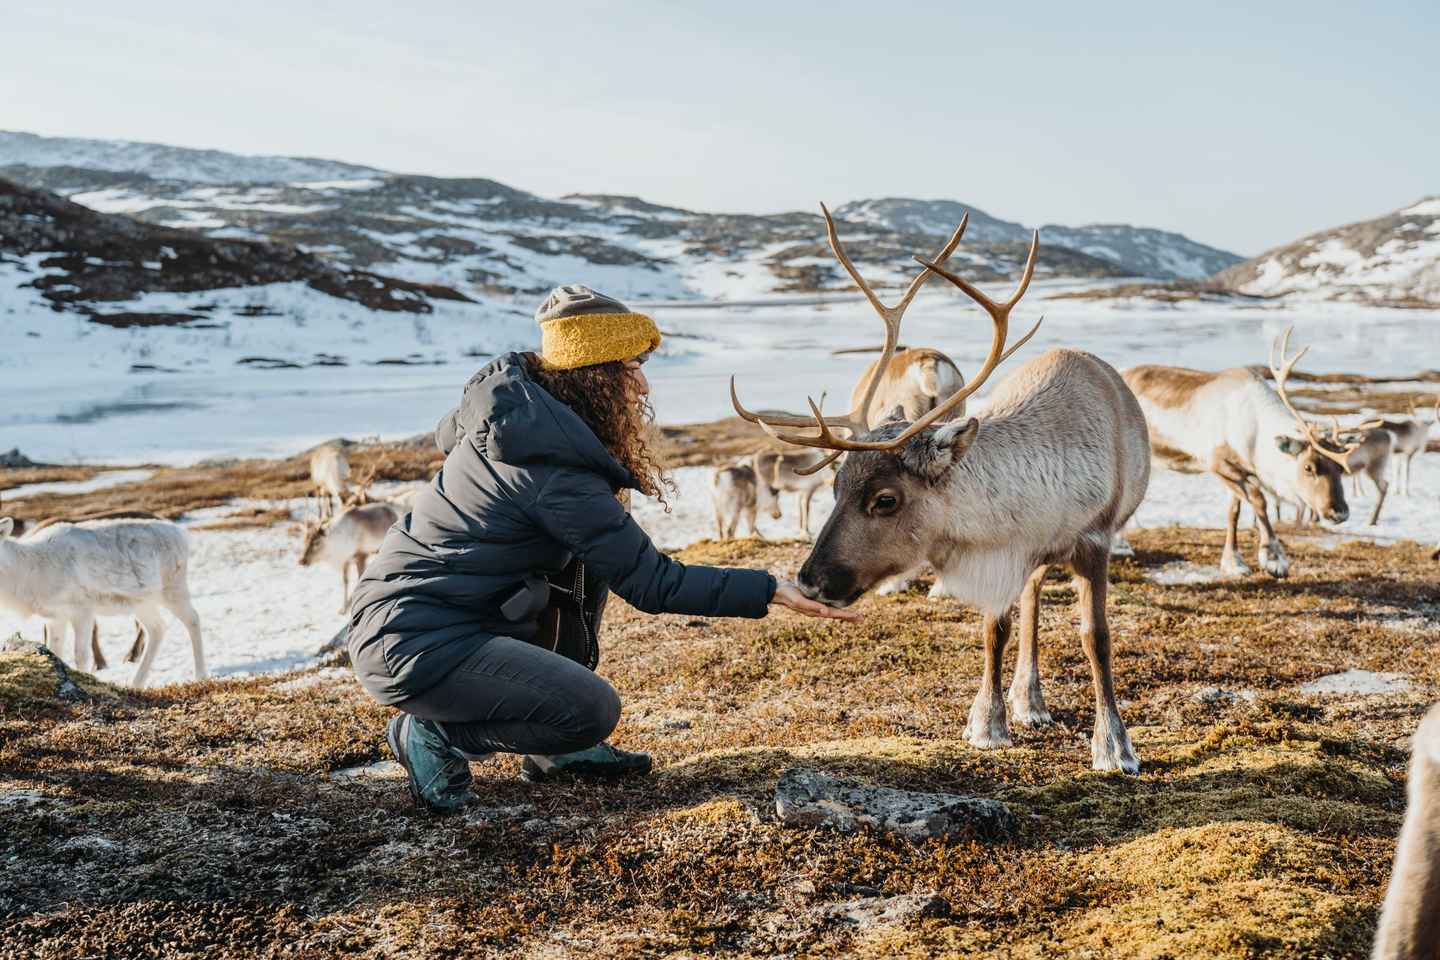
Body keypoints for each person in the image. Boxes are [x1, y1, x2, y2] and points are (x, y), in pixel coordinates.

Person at [348, 285, 856, 812]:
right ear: (592, 374)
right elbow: (656, 583)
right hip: (412, 643)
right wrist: (769, 588)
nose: (642, 386)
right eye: (631, 366)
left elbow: (611, 565)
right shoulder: (546, 466)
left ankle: (553, 753)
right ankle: (433, 734)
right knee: (590, 709)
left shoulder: (522, 423)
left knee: (589, 567)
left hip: (440, 619)